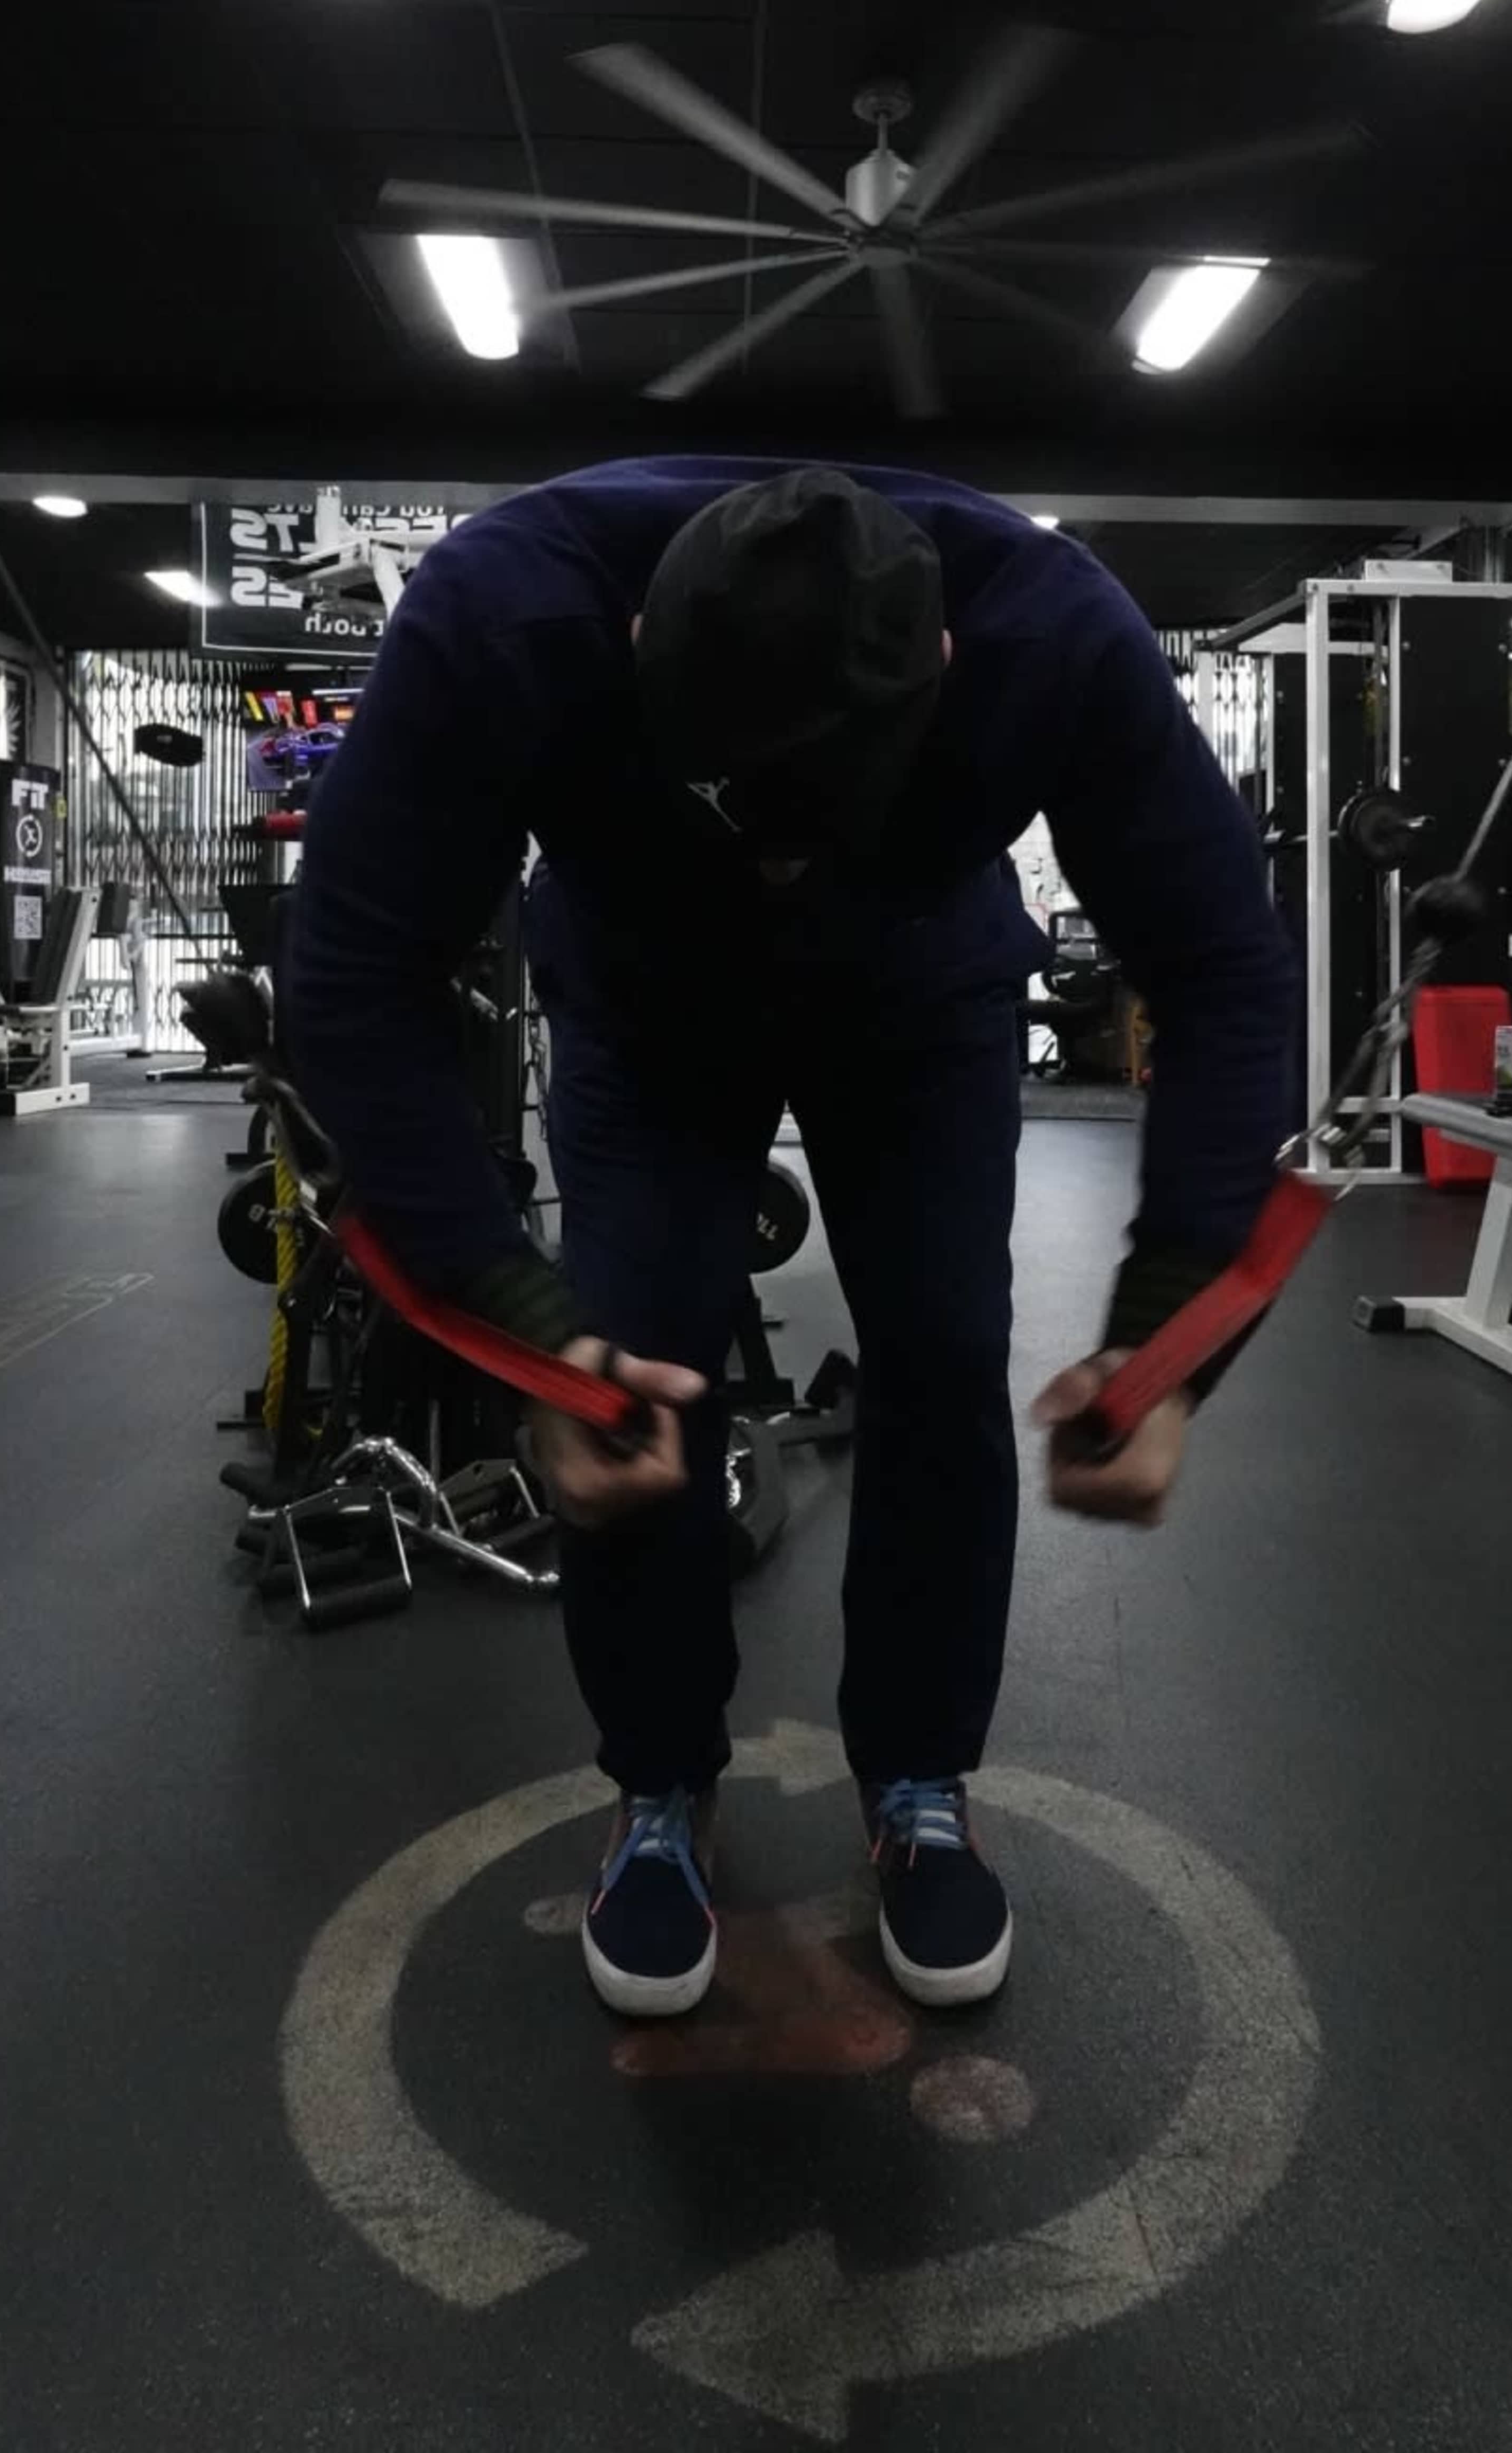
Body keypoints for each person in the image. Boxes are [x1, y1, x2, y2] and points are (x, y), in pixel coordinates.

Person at [286, 460, 1295, 2021]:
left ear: (943, 670)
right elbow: (351, 981)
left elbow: (1227, 972)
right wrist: (514, 1327)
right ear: (634, 640)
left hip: (919, 997)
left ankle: (920, 1785)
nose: (777, 855)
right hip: (643, 1006)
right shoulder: (500, 615)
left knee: (949, 1349)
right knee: (632, 1363)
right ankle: (659, 1789)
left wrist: (1173, 1335)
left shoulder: (1057, 637)